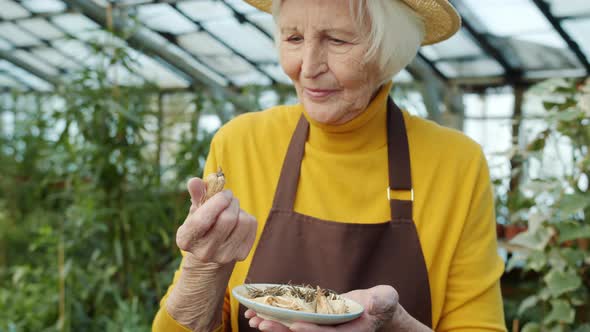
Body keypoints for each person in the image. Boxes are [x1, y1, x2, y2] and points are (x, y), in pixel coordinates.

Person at [153, 0, 506, 331]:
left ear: (388, 50)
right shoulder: (241, 143)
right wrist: (202, 268)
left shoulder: (455, 162)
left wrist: (396, 324)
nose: (307, 67)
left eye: (337, 40)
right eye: (293, 38)